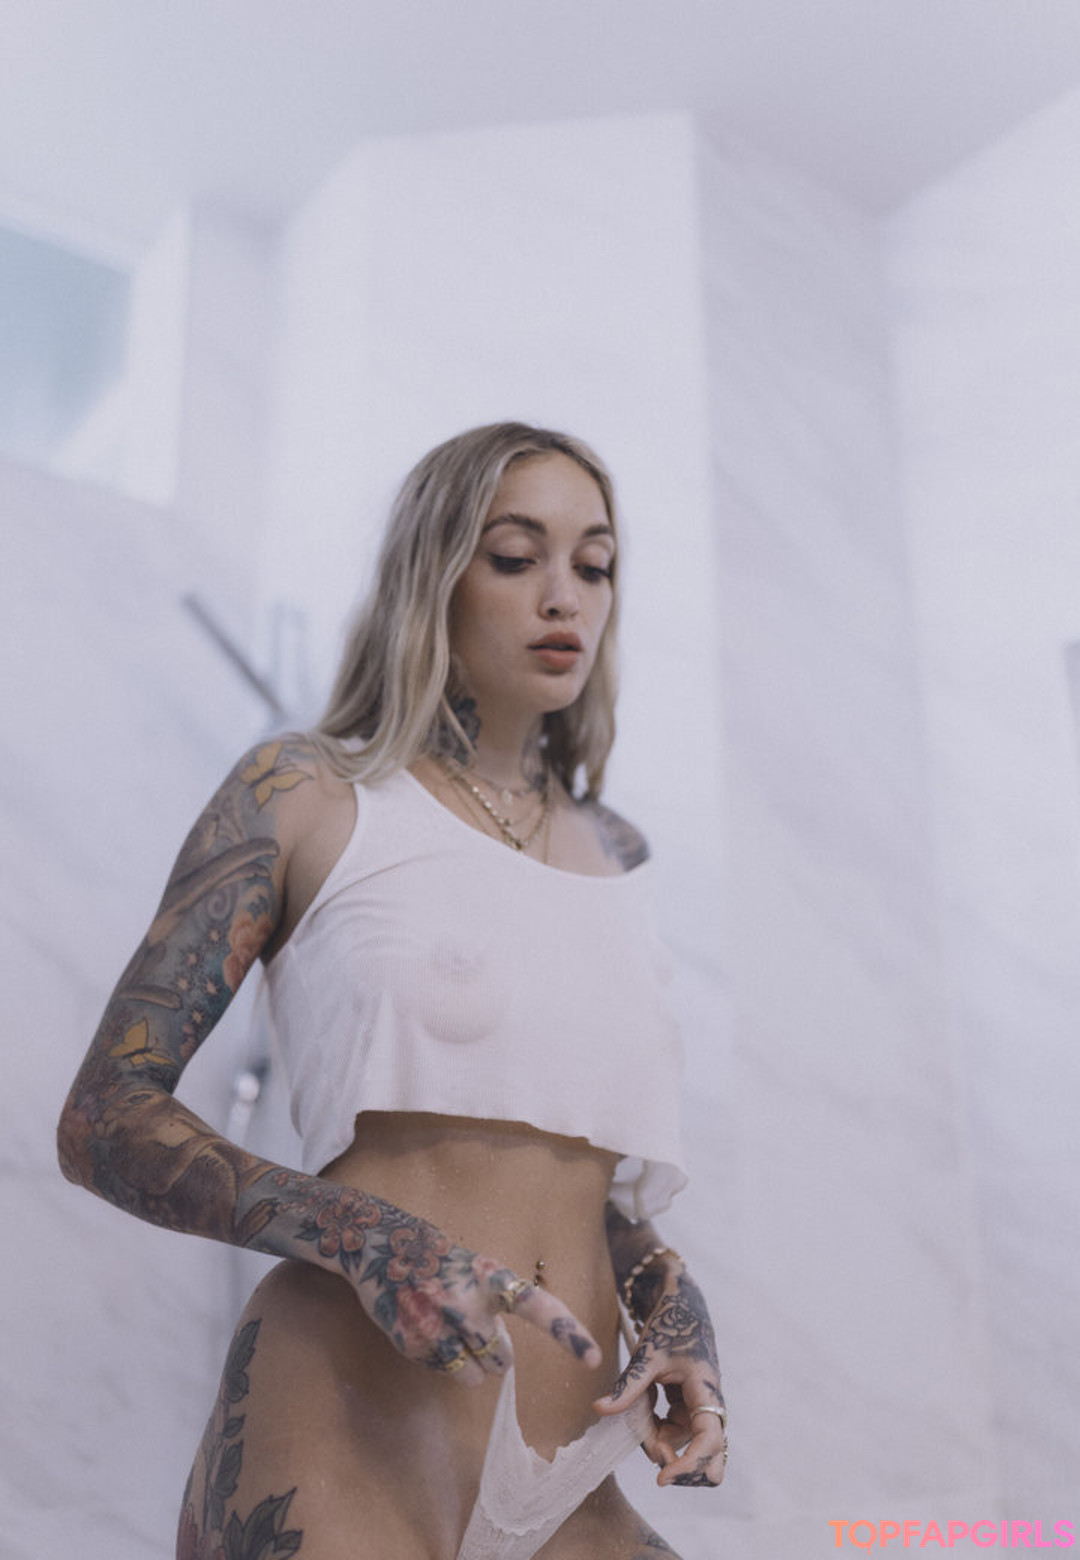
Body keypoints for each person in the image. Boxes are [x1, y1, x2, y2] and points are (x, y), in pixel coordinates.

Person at [57, 421, 727, 1560]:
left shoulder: (619, 855)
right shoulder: (308, 794)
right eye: (515, 557)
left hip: (573, 1458)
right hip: (343, 1427)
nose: (563, 596)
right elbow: (104, 1115)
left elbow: (594, 1192)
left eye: (594, 565)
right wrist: (365, 1233)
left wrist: (680, 1320)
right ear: (434, 575)